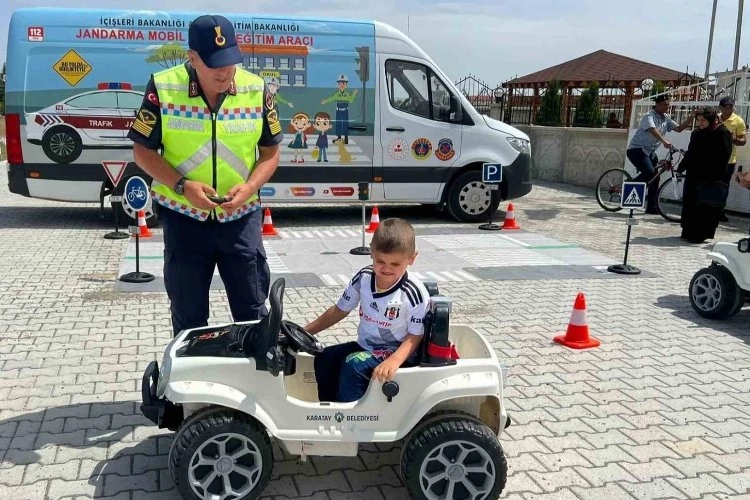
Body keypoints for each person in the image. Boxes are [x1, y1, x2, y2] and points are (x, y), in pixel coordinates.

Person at [127, 14, 283, 336]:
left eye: (231, 61)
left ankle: (254, 378)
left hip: (240, 218)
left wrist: (251, 185)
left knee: (253, 311)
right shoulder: (164, 87)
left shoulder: (258, 89)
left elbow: (270, 153)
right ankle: (190, 379)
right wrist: (182, 187)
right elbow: (142, 152)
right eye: (214, 64)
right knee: (188, 315)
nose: (225, 71)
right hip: (184, 219)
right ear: (193, 57)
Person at [305, 219, 429, 403]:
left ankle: (353, 424)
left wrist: (393, 361)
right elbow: (339, 310)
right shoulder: (363, 278)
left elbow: (415, 336)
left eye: (395, 264)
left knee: (353, 365)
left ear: (411, 258)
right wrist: (305, 332)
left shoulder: (413, 293)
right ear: (371, 251)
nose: (386, 268)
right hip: (366, 348)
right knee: (325, 357)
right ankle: (330, 411)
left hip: (396, 352)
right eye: (380, 261)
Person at [626, 95, 698, 214]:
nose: (667, 107)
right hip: (637, 150)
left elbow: (679, 128)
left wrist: (691, 117)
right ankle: (629, 187)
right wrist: (664, 141)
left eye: (668, 104)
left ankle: (651, 207)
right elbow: (652, 129)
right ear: (657, 104)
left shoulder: (666, 118)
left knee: (655, 178)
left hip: (650, 152)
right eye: (664, 104)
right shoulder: (649, 116)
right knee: (649, 172)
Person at [678, 107, 732, 243]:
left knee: (705, 206)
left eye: (703, 120)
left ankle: (700, 234)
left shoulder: (721, 132)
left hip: (711, 177)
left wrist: (715, 175)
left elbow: (725, 155)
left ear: (711, 119)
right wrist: (681, 166)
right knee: (690, 203)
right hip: (694, 175)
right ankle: (688, 230)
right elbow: (691, 152)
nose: (700, 123)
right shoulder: (696, 133)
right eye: (698, 120)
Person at [718, 97, 747, 221]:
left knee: (724, 186)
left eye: (731, 107)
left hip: (729, 160)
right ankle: (709, 209)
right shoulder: (715, 118)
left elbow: (743, 140)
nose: (728, 110)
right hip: (712, 159)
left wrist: (734, 139)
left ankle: (720, 211)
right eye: (726, 107)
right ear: (721, 107)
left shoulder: (738, 121)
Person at [321, 74, 358, 144]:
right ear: (338, 85)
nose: (342, 85)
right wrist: (325, 101)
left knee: (345, 124)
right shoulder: (337, 94)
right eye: (340, 83)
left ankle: (346, 138)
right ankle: (339, 137)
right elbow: (331, 98)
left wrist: (354, 94)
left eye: (343, 83)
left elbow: (351, 100)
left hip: (345, 111)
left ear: (346, 85)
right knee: (338, 123)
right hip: (338, 111)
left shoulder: (347, 94)